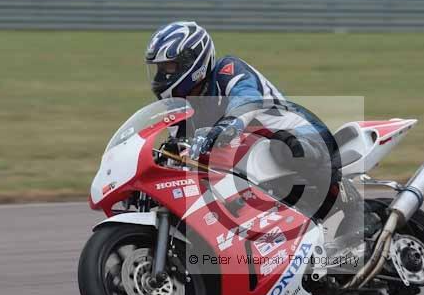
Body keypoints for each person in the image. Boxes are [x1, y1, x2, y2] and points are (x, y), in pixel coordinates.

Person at [145, 21, 362, 225]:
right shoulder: (183, 105)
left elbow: (247, 100)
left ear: (193, 62)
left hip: (300, 133)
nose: (161, 77)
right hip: (254, 158)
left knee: (286, 147)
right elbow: (181, 146)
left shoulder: (228, 70)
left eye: (169, 68)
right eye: (159, 69)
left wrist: (226, 126)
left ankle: (345, 196)